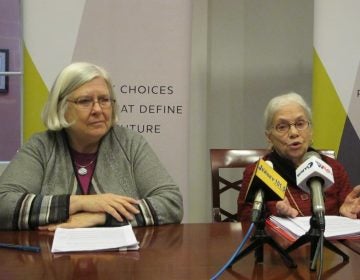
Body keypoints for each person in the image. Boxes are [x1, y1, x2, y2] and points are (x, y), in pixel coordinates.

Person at [0, 62, 183, 230]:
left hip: (121, 261)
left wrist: (103, 216)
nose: (98, 109)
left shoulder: (130, 143)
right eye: (85, 101)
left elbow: (171, 202)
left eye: (104, 100)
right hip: (53, 260)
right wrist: (80, 203)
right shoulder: (41, 147)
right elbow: (3, 204)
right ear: (61, 107)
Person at [237, 92, 360, 222]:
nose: (294, 133)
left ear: (310, 130)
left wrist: (349, 215)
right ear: (269, 137)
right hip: (281, 242)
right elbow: (246, 224)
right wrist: (277, 219)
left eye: (300, 124)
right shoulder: (259, 172)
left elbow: (350, 213)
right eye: (282, 127)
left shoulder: (333, 168)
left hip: (328, 242)